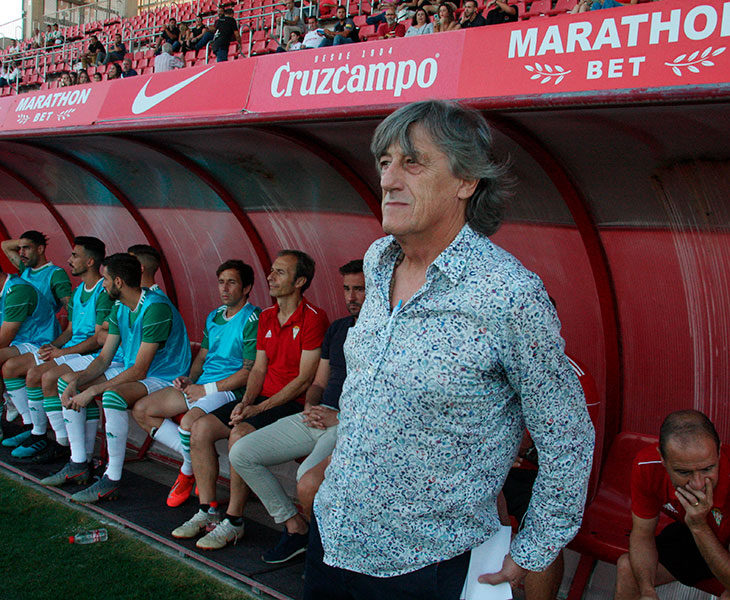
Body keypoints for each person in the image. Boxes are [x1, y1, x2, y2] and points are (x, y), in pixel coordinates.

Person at [305, 100, 594, 600]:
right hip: (334, 536)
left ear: (467, 181)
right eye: (385, 162)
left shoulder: (509, 296)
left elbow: (568, 436)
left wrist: (534, 548)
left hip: (428, 564)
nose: (390, 179)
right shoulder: (377, 261)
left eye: (412, 162)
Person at [171, 250, 328, 550]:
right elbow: (258, 368)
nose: (270, 277)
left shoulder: (313, 318)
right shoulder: (267, 316)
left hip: (290, 403)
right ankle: (207, 511)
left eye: (280, 272)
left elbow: (305, 380)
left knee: (239, 435)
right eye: (272, 271)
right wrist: (246, 403)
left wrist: (257, 408)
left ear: (300, 281)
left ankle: (234, 520)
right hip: (261, 399)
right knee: (200, 429)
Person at [229, 259, 364, 564]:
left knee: (306, 478)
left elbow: (384, 400)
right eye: (346, 289)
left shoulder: (384, 334)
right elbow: (318, 381)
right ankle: (295, 528)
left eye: (359, 289)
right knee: (242, 452)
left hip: (351, 423)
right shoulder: (340, 328)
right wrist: (311, 405)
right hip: (320, 414)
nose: (351, 297)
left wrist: (339, 417)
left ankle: (323, 552)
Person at [46, 253, 191, 502]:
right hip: (139, 371)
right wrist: (76, 383)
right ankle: (79, 462)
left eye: (105, 279)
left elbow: (140, 370)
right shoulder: (120, 306)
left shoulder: (155, 307)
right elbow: (103, 359)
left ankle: (112, 478)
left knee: (112, 396)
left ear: (119, 282)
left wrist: (92, 390)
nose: (103, 285)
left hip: (166, 376)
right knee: (65, 381)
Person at [132, 260, 260, 507]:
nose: (224, 288)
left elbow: (249, 371)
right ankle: (192, 464)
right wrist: (190, 378)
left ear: (246, 288)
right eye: (221, 282)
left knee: (189, 423)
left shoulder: (253, 317)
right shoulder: (213, 315)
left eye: (231, 282)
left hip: (228, 390)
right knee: (142, 410)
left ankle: (188, 472)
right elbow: (202, 356)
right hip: (201, 385)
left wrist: (205, 389)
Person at [1, 237, 111, 462]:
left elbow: (98, 339)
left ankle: (59, 443)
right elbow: (71, 330)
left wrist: (63, 352)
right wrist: (55, 346)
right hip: (71, 350)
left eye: (74, 256)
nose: (69, 260)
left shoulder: (103, 292)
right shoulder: (79, 290)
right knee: (20, 369)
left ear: (90, 262)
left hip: (89, 355)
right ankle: (38, 432)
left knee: (45, 377)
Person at [500, 354, 599, 600]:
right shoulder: (491, 357)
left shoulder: (571, 376)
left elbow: (572, 457)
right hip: (497, 466)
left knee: (543, 529)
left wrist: (523, 449)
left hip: (542, 474)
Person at [615, 410, 730, 599]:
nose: (698, 483)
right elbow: (642, 534)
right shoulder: (648, 466)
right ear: (663, 458)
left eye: (708, 469)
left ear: (718, 452)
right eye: (683, 472)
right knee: (629, 569)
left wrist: (699, 526)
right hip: (696, 531)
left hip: (708, 532)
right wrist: (647, 591)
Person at [0, 269, 59, 444]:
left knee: (9, 365)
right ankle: (28, 423)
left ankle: (33, 427)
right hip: (20, 343)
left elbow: (4, 338)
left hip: (41, 342)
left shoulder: (17, 291)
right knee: (8, 366)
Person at [1, 230, 71, 314]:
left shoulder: (56, 273)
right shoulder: (26, 269)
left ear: (40, 249)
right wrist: (25, 242)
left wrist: (69, 327)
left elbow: (70, 307)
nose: (21, 253)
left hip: (43, 325)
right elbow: (4, 245)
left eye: (26, 248)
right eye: (20, 248)